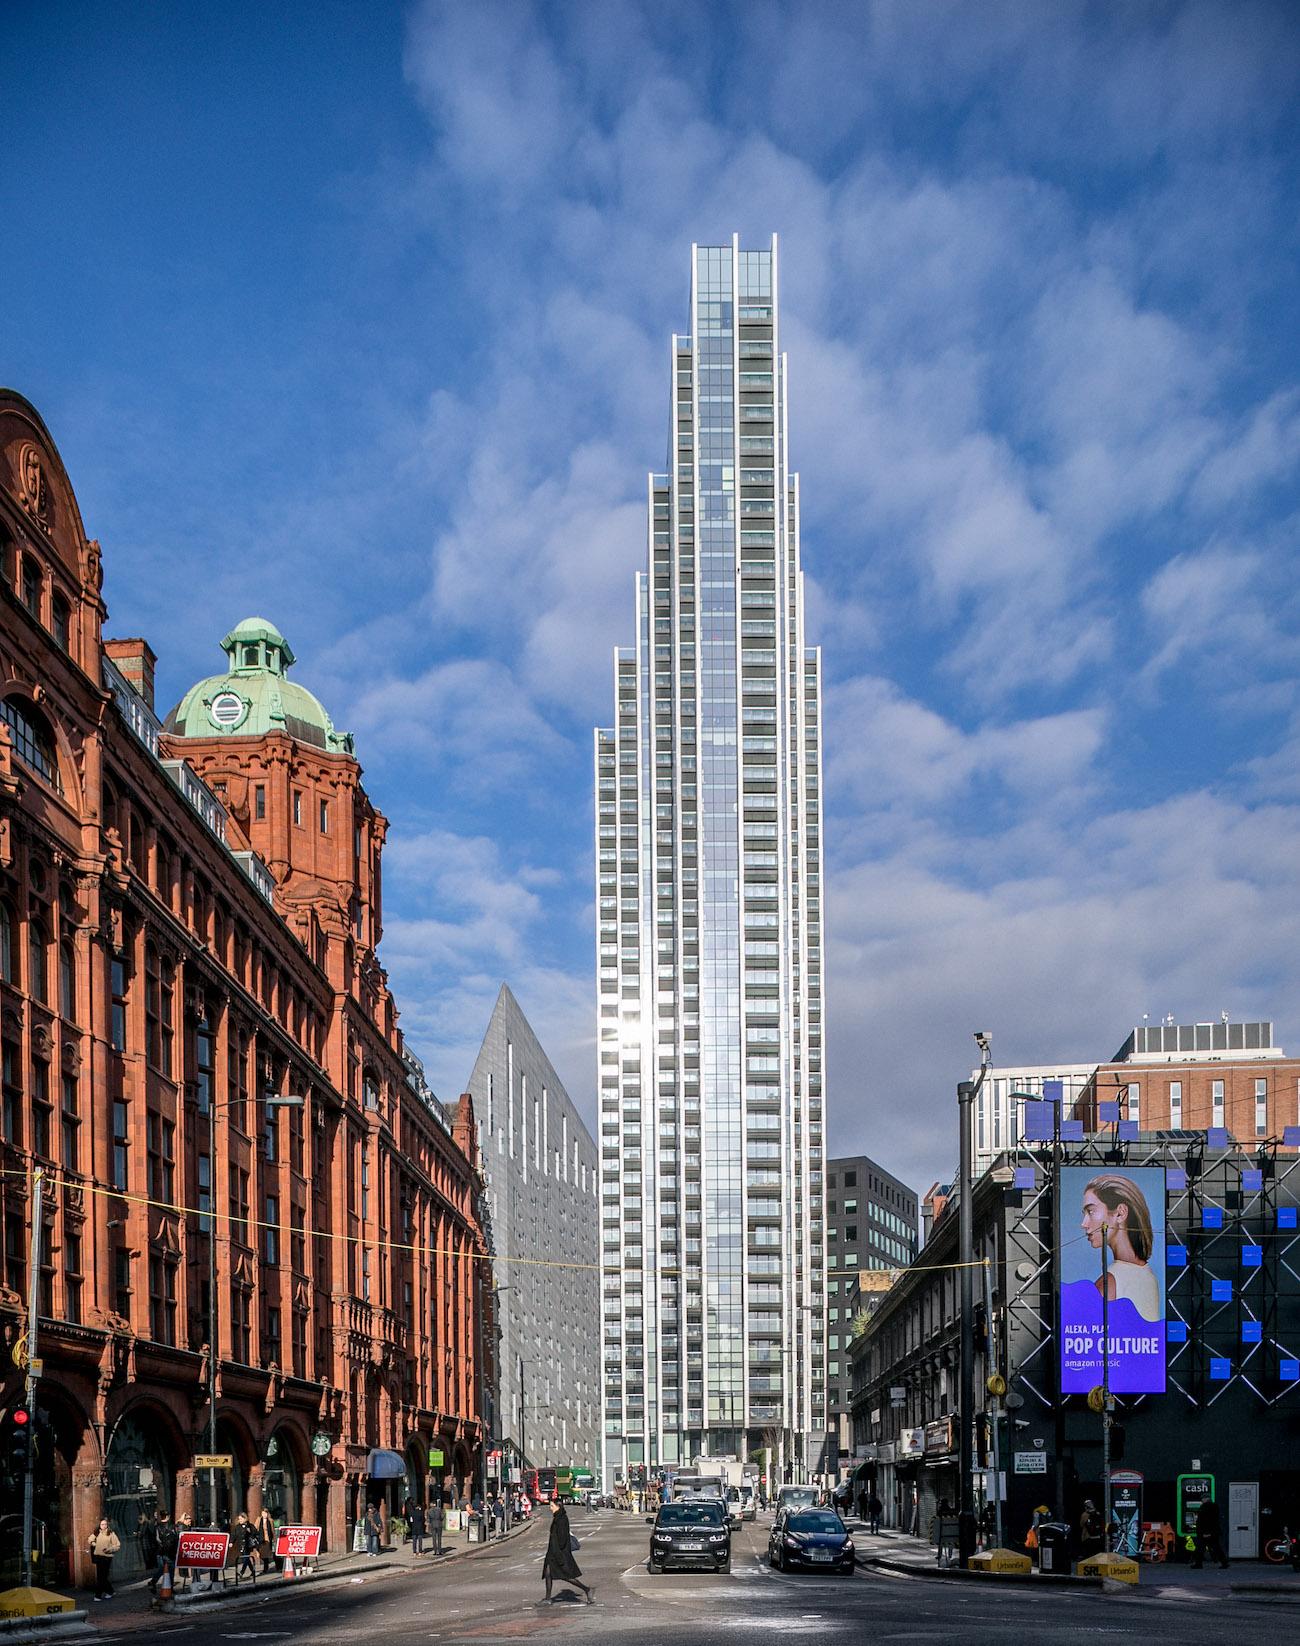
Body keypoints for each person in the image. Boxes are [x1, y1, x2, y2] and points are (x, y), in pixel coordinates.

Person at [1080, 1174, 1161, 1321]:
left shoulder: (1110, 1282)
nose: (1084, 1223)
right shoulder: (1149, 1275)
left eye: (1091, 1211)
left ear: (1120, 1213)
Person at [542, 1501, 593, 1605]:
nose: (550, 1508)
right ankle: (547, 1598)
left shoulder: (561, 1519)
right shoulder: (558, 1517)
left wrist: (557, 1552)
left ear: (558, 1506)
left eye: (552, 1506)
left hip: (558, 1553)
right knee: (548, 1574)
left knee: (566, 1576)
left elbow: (562, 1539)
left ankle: (587, 1589)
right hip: (552, 1552)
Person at [88, 1517, 121, 1601]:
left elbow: (117, 1545)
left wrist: (109, 1549)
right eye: (102, 1524)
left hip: (107, 1557)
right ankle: (110, 1591)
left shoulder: (111, 1533)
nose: (104, 1526)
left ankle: (98, 1595)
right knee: (101, 1577)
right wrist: (94, 1543)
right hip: (98, 1557)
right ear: (99, 1525)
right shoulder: (96, 1533)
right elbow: (90, 1539)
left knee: (102, 1577)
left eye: (105, 1524)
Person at [1192, 1498, 1229, 1570]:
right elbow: (1213, 1521)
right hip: (1213, 1532)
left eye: (1202, 1499)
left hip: (1206, 1532)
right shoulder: (1215, 1507)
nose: (1201, 1500)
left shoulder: (1205, 1507)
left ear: (1206, 1499)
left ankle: (1198, 1564)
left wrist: (1206, 1532)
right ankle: (1224, 1563)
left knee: (1200, 1548)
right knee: (1216, 1548)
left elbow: (1205, 1521)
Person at [152, 1511, 178, 1595]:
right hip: (169, 1552)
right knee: (170, 1569)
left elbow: (157, 1539)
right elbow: (175, 1538)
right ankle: (170, 1587)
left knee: (162, 1569)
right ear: (168, 1516)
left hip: (160, 1551)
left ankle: (153, 1582)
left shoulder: (157, 1527)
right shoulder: (171, 1526)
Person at [233, 1512, 261, 1584]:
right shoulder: (237, 1527)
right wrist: (231, 1542)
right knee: (247, 1559)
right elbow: (234, 1535)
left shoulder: (250, 1526)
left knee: (246, 1558)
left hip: (248, 1545)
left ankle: (242, 1572)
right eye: (239, 1519)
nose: (240, 1520)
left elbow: (255, 1534)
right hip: (241, 1545)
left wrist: (250, 1532)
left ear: (245, 1518)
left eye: (241, 1519)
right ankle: (253, 1571)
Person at [258, 1504, 276, 1573]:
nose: (264, 1515)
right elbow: (256, 1528)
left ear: (267, 1514)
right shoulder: (259, 1520)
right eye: (263, 1513)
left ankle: (265, 1568)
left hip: (268, 1539)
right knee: (261, 1554)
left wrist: (274, 1538)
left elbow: (272, 1530)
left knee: (266, 1554)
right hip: (261, 1539)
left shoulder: (270, 1520)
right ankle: (266, 1565)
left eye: (265, 1513)